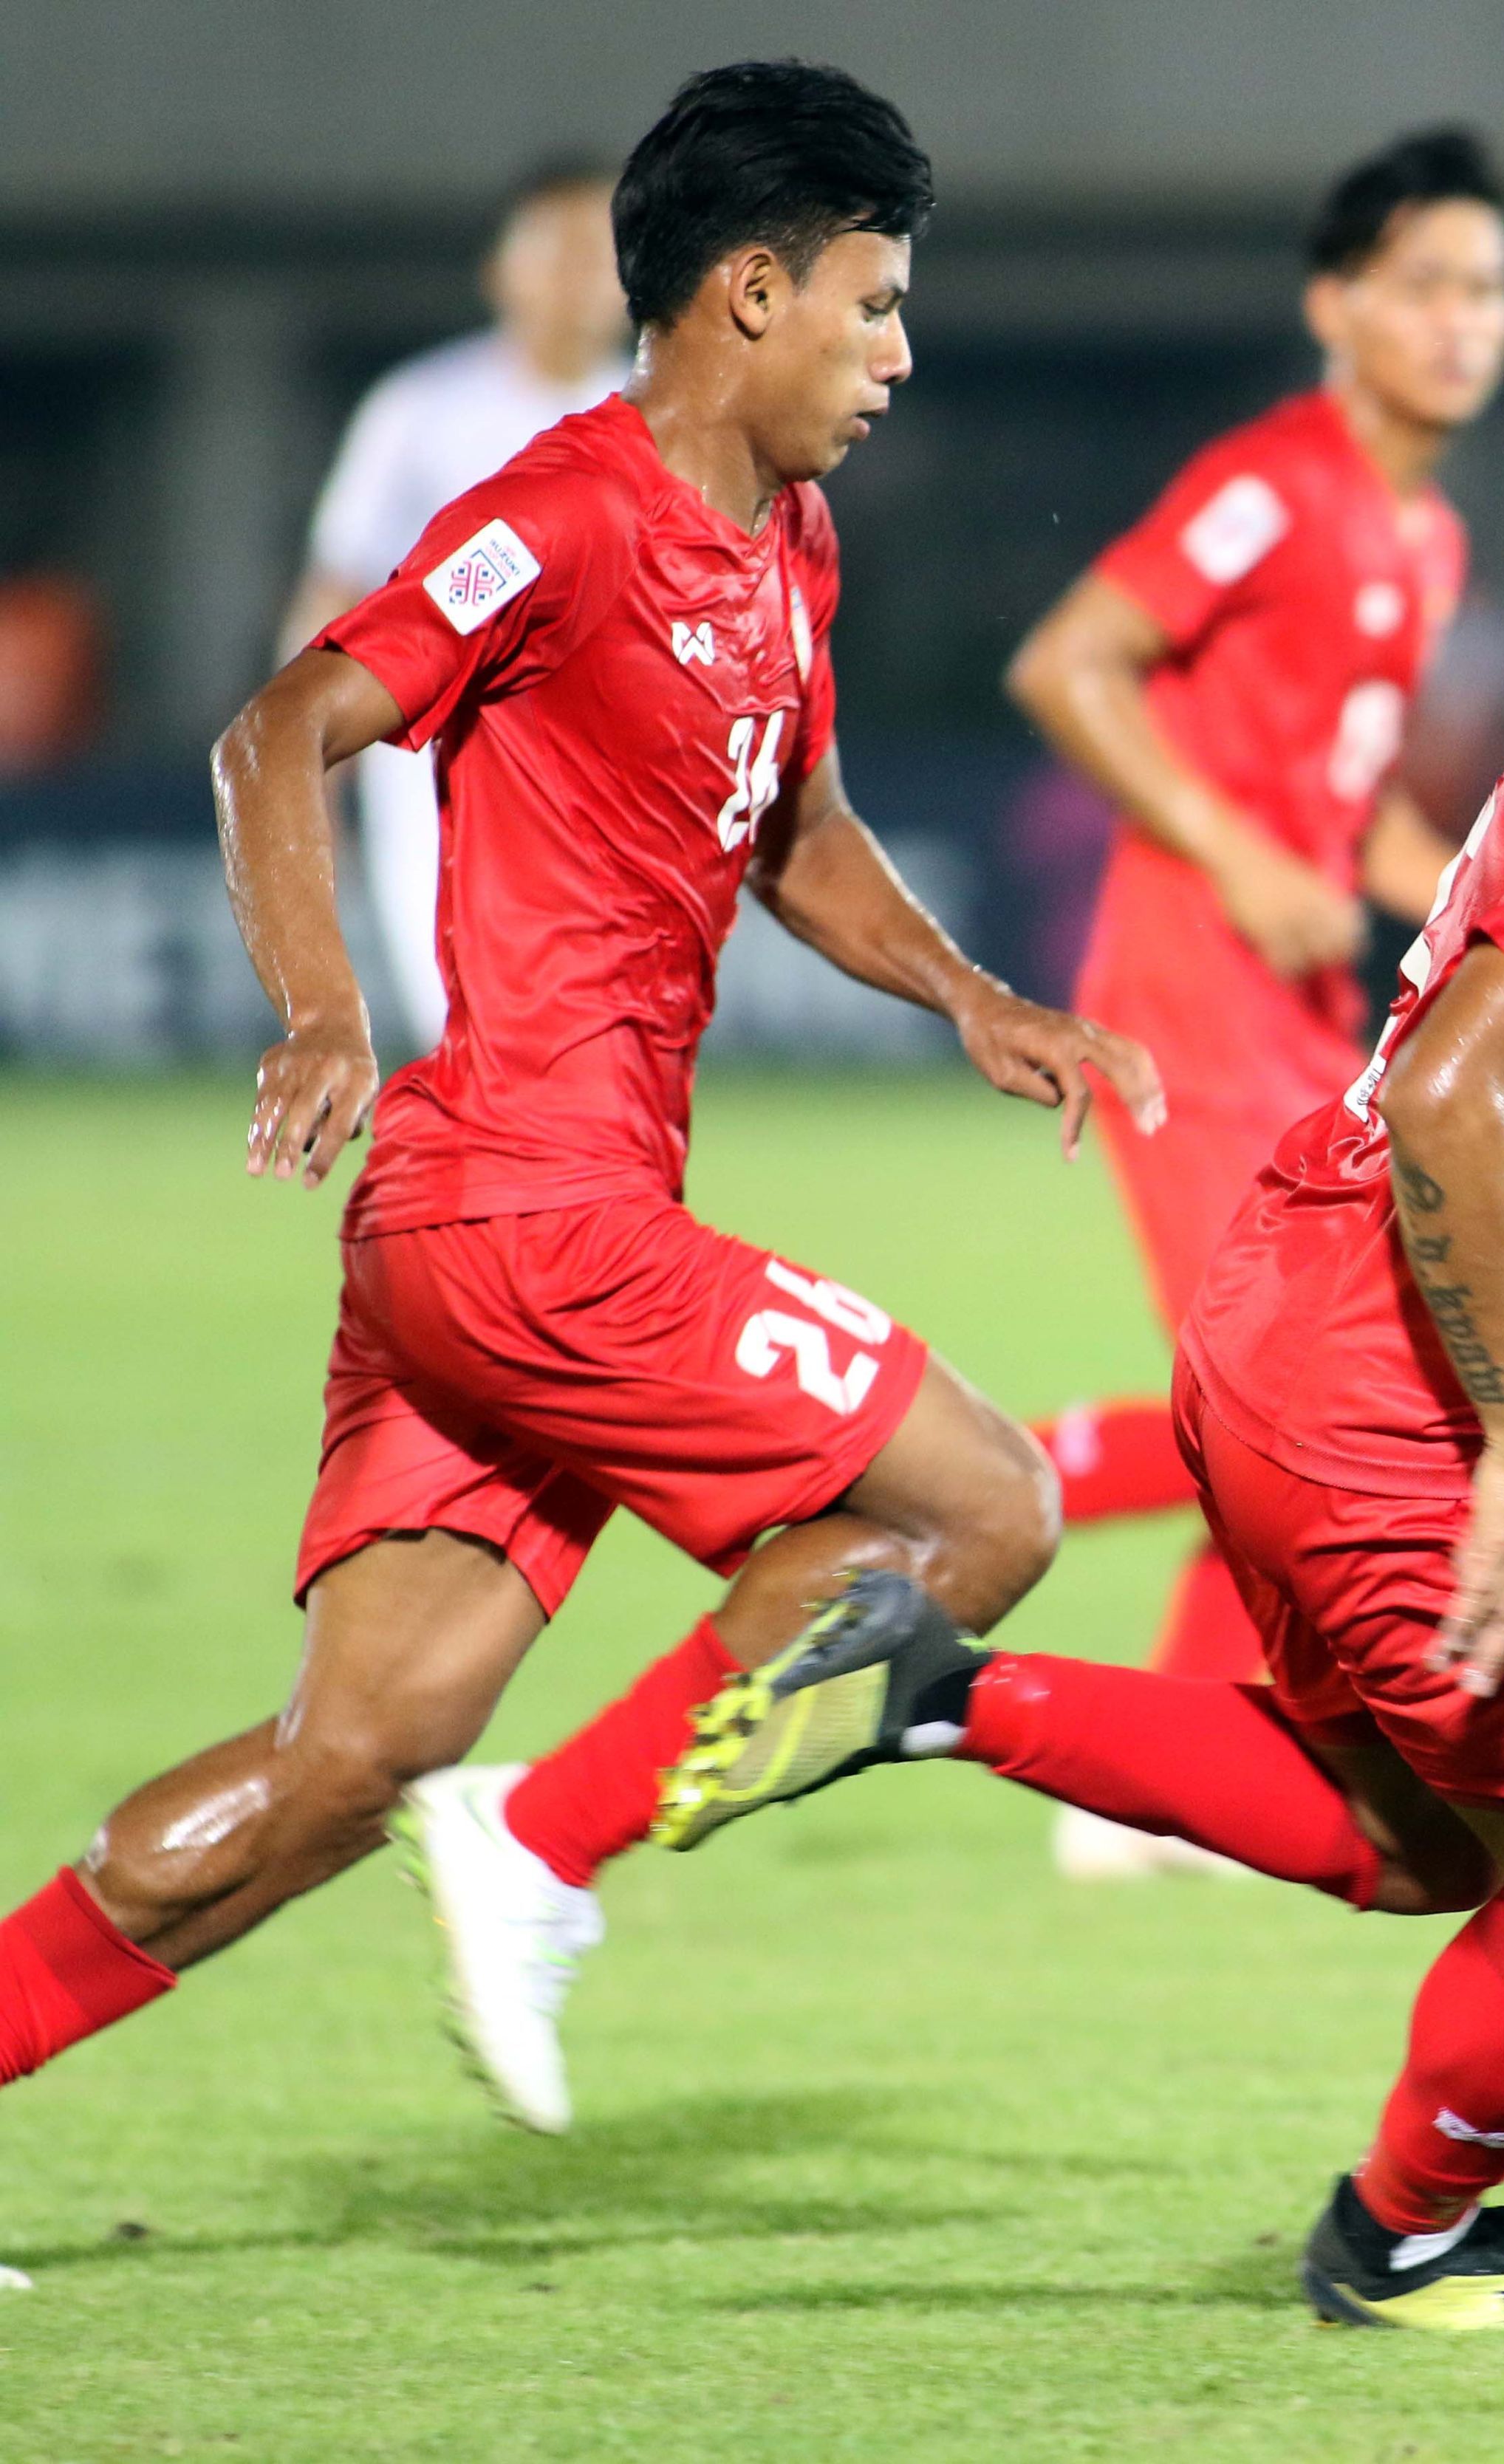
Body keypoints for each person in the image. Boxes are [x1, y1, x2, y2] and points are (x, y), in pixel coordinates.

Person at [638, 281, 1504, 2327]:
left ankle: (925, 1685)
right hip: (1387, 1382)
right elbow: (1458, 1080)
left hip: (1295, 1309)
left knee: (1434, 1841)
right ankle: (1394, 2247)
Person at [0, 62, 1165, 2130]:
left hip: (496, 1237)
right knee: (986, 1509)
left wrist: (978, 998)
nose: (898, 355)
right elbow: (281, 728)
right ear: (746, 293)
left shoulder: (785, 539)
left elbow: (792, 821)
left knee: (348, 1762)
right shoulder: (560, 510)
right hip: (532, 1210)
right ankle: (549, 1848)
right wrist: (323, 1003)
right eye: (871, 304)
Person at [1002, 128, 1504, 1878]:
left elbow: (1340, 794)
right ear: (1337, 306)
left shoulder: (1423, 537)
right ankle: (960, 1483)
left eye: (1487, 290)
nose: (1464, 322)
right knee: (1283, 1394)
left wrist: (1466, 897)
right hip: (1183, 989)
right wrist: (1224, 850)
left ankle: (1170, 1769)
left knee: (1340, 1380)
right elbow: (1065, 661)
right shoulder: (1272, 484)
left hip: (1295, 1007)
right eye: (1427, 286)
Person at [283, 162, 632, 1053]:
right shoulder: (422, 412)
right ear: (500, 269)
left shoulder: (666, 415)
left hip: (613, 777)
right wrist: (310, 768)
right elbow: (342, 598)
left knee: (594, 1058)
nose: (578, 272)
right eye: (555, 250)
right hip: (443, 767)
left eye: (602, 249)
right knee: (480, 1039)